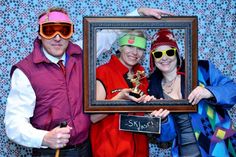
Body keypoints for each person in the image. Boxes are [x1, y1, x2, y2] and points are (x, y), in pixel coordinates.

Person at [4, 7, 172, 157]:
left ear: (70, 33)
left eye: (63, 30)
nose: (57, 37)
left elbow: (109, 34)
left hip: (86, 148)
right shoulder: (25, 71)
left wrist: (139, 13)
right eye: (49, 31)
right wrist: (44, 138)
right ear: (40, 34)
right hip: (50, 152)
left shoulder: (80, 53)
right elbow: (14, 123)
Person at [148, 29, 236, 157]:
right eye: (158, 54)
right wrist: (164, 120)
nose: (164, 57)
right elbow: (165, 137)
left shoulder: (201, 70)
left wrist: (209, 91)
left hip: (219, 146)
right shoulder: (152, 89)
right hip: (185, 152)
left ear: (176, 53)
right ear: (153, 58)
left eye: (169, 52)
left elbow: (233, 90)